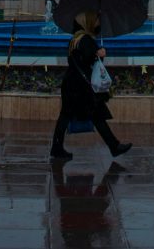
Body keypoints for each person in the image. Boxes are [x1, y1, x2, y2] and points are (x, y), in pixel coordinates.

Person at [50, 9, 132, 161]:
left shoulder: (75, 39)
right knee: (96, 114)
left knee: (67, 116)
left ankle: (57, 148)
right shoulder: (86, 40)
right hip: (81, 86)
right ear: (87, 23)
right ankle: (114, 146)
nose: (97, 23)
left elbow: (77, 60)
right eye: (95, 21)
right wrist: (100, 54)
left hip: (71, 83)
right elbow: (91, 62)